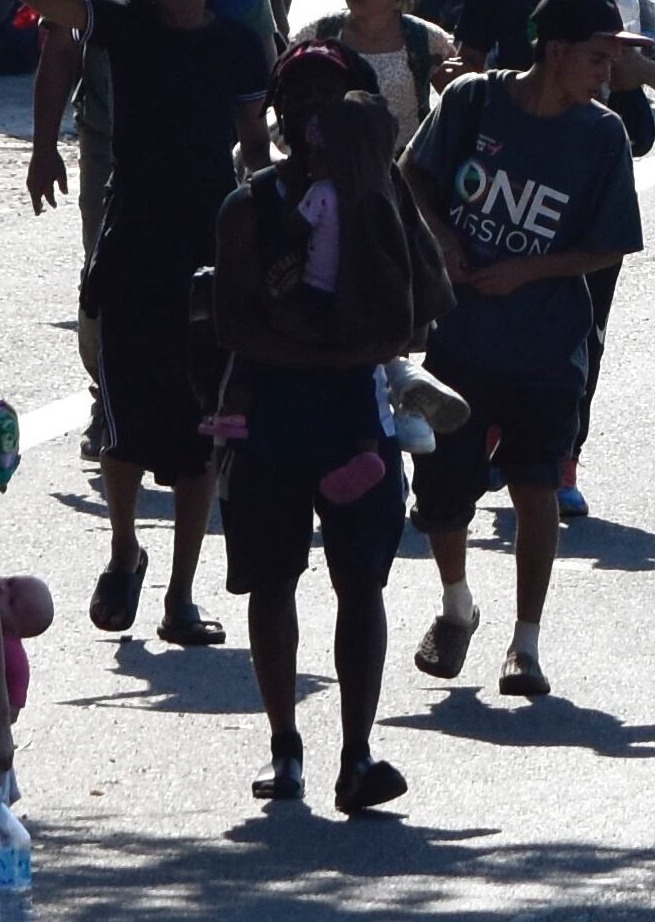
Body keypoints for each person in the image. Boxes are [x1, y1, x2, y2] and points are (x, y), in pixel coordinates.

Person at [14, 0, 273, 655]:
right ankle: (125, 545)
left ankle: (182, 595)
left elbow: (255, 150)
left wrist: (270, 241)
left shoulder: (237, 40)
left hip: (207, 252)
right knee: (126, 424)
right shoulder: (120, 24)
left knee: (202, 429)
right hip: (130, 243)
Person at [403, 0, 646, 702]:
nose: (607, 72)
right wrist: (444, 237)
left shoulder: (602, 135)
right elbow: (412, 174)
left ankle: (526, 642)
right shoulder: (474, 100)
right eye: (598, 56)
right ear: (557, 50)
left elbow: (609, 244)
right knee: (442, 492)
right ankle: (457, 606)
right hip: (460, 339)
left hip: (548, 346)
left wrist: (526, 271)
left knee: (535, 485)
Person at [214, 39, 436, 812]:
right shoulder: (251, 205)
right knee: (272, 581)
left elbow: (413, 316)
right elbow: (234, 324)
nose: (313, 115)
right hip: (275, 415)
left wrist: (339, 345)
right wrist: (315, 344)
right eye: (298, 98)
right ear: (278, 121)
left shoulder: (385, 199)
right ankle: (286, 747)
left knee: (361, 584)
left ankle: (357, 749)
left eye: (330, 97)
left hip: (355, 414)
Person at [292, 0, 455, 129]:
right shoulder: (317, 35)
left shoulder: (426, 40)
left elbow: (456, 107)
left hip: (402, 158)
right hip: (328, 158)